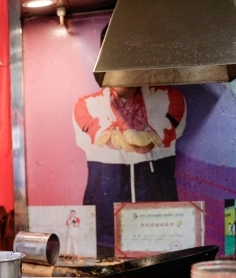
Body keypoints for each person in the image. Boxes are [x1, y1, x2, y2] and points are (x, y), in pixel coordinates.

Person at [73, 25, 186, 257]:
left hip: (159, 223)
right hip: (104, 224)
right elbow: (107, 137)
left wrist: (139, 136)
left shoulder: (168, 97)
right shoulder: (85, 105)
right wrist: (117, 136)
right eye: (114, 53)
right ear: (102, 56)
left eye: (130, 53)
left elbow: (146, 142)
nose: (122, 63)